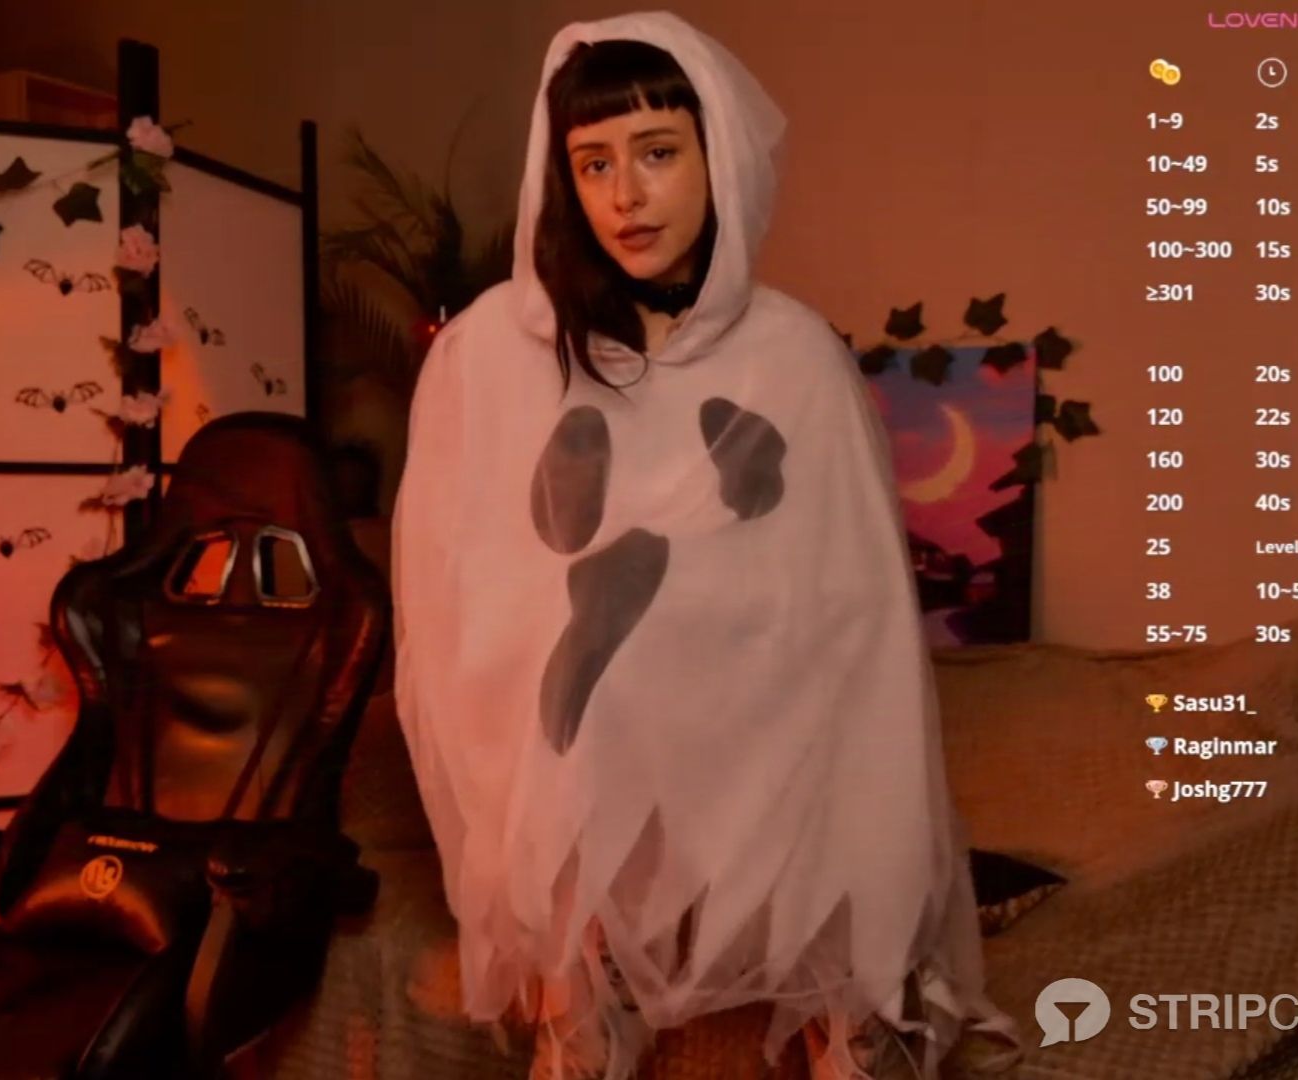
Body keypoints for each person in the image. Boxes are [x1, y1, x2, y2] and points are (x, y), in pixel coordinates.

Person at [391, 11, 1018, 1080]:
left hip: (758, 697)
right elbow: (453, 588)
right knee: (571, 679)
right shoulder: (490, 352)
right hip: (581, 720)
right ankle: (590, 996)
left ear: (717, 155)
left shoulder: (795, 355)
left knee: (822, 719)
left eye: (658, 153)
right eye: (594, 163)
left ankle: (851, 1002)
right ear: (561, 178)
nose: (625, 196)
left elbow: (856, 612)